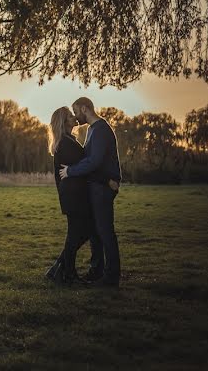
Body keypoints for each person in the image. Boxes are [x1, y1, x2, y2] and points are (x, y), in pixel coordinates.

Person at [59, 97, 122, 287]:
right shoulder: (92, 130)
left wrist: (70, 170)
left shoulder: (101, 130)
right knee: (96, 233)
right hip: (97, 185)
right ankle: (97, 272)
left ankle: (111, 277)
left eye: (76, 112)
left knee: (105, 231)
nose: (76, 117)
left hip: (103, 188)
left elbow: (94, 161)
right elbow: (90, 159)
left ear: (85, 108)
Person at [45, 106, 91, 284]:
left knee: (80, 232)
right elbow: (85, 164)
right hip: (74, 196)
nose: (74, 119)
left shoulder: (67, 141)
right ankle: (67, 273)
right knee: (79, 233)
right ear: (64, 123)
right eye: (71, 117)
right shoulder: (65, 144)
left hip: (73, 195)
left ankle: (59, 269)